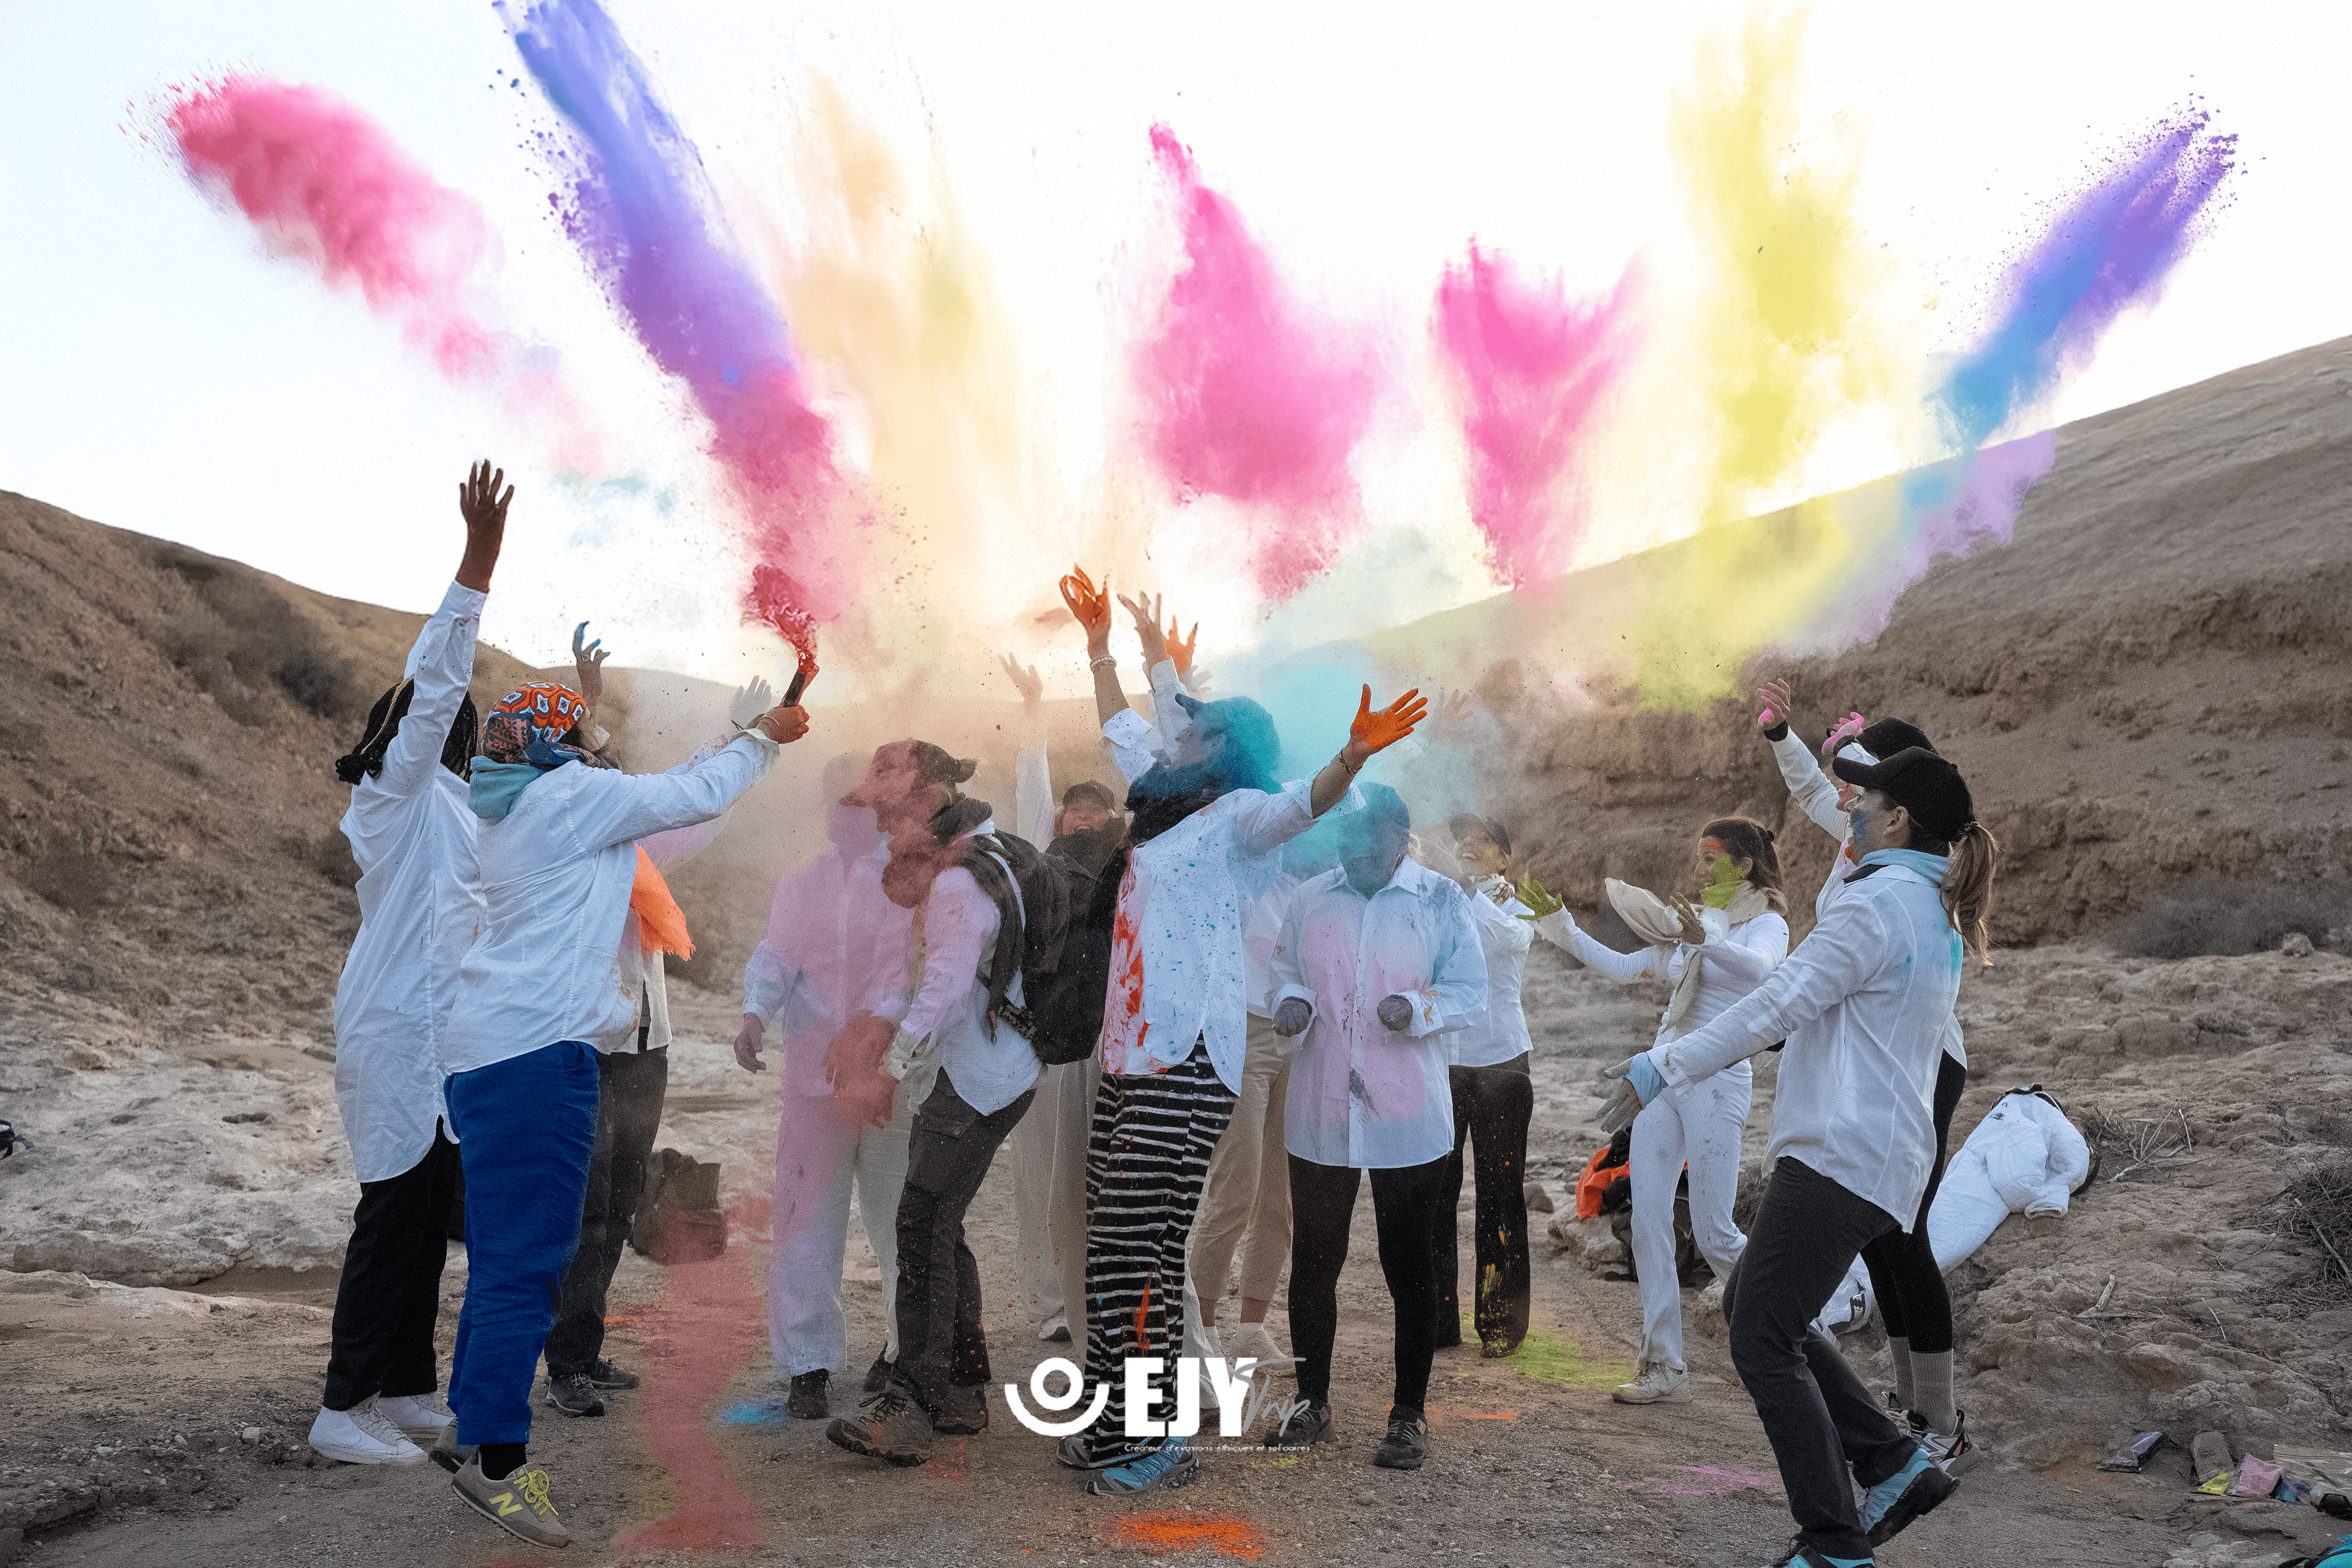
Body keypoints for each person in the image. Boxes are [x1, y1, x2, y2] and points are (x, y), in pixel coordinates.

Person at [1053, 569, 1425, 1498]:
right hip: (1134, 1055)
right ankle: (1116, 1423)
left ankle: (1147, 1439)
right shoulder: (1165, 808)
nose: (1174, 735)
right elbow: (1129, 724)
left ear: (1224, 755)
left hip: (1187, 1059)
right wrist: (1105, 650)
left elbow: (1302, 803)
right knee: (1119, 1243)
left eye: (1195, 730)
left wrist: (1351, 756)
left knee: (1141, 1245)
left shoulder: (1234, 819)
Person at [433, 666, 808, 1547]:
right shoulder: (569, 799)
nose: (593, 753)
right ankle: (499, 1467)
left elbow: (666, 795)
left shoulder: (499, 803)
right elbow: (690, 795)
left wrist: (738, 736)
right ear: (560, 747)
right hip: (542, 1057)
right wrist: (761, 740)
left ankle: (470, 1426)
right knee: (530, 1265)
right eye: (582, 739)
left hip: (485, 1052)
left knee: (500, 1254)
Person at [1598, 745, 1999, 1567]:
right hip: (1872, 1152)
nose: (1850, 805)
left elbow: (1777, 999)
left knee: (1762, 1339)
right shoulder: (1924, 901)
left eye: (1866, 796)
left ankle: (1835, 1542)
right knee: (1754, 1307)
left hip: (1840, 1153)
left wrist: (1662, 1066)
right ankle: (1894, 1466)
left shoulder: (1878, 902)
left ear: (1898, 819)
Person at [311, 461, 507, 1467]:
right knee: (392, 1215)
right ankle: (341, 1409)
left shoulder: (463, 813)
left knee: (430, 1218)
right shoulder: (394, 801)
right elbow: (433, 693)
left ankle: (406, 1391)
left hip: (441, 1046)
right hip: (392, 1033)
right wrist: (475, 567)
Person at [542, 647, 769, 1419]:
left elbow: (695, 804)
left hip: (646, 1044)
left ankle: (580, 1349)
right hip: (584, 1044)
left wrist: (741, 739)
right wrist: (584, 712)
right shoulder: (554, 847)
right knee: (583, 1207)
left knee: (617, 1204)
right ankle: (563, 1361)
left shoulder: (636, 845)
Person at [1756, 676, 1971, 1465]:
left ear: (1898, 799)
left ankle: (1940, 1425)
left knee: (1903, 1239)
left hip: (1922, 1064)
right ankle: (1916, 1412)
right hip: (1873, 1058)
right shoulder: (1863, 839)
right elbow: (1817, 789)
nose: (1847, 793)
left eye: (1863, 779)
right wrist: (1782, 738)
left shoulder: (1909, 864)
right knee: (1880, 1242)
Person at [824, 743, 1044, 1466]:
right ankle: (961, 1391)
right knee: (939, 1226)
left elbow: (945, 984)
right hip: (994, 1067)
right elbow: (921, 977)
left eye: (892, 815)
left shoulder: (955, 880)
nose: (884, 830)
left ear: (928, 799)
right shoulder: (974, 853)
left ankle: (912, 1403)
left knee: (919, 1228)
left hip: (978, 1077)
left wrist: (889, 1070)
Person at [1523, 818, 1788, 1405]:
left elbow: (1763, 973)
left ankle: (1805, 1332)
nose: (1701, 869)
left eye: (1712, 859)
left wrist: (1704, 940)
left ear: (1744, 865)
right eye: (1701, 858)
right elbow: (1625, 967)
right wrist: (1560, 927)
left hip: (1718, 1080)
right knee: (1647, 1223)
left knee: (1716, 1234)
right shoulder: (1698, 923)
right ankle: (1664, 1365)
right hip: (1665, 1077)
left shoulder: (1765, 924)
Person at [1267, 785, 1488, 1472]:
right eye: (1344, 840)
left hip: (1406, 1113)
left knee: (1408, 1264)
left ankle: (1408, 1414)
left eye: (1367, 842)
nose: (1353, 854)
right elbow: (1283, 969)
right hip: (1322, 1106)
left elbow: (1470, 990)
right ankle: (1311, 1402)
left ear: (1399, 836)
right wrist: (1292, 1001)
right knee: (1315, 1261)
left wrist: (1416, 1010)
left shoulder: (1440, 900)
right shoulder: (1311, 898)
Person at [734, 750, 922, 1420]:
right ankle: (807, 1364)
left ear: (880, 804)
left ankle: (904, 1356)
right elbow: (775, 955)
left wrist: (876, 1041)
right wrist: (754, 1016)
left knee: (899, 1223)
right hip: (814, 1080)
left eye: (859, 802)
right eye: (836, 803)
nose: (848, 816)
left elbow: (908, 971)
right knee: (805, 1223)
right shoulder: (803, 882)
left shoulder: (907, 879)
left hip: (889, 1081)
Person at [997, 652, 1130, 1348]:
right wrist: (1032, 710)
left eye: (1094, 811)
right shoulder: (1037, 861)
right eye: (1071, 808)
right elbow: (1031, 785)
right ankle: (1051, 1302)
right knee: (1037, 1169)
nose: (1080, 817)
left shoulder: (1123, 871)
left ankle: (1093, 1297)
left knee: (1093, 1174)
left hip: (1104, 1039)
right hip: (1036, 1037)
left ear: (1110, 823)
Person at [1429, 812, 1536, 1358]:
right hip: (1444, 1065)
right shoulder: (1442, 903)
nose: (1468, 847)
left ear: (1505, 857)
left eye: (1481, 842)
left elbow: (1504, 940)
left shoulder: (1519, 909)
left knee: (1501, 1195)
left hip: (1503, 1065)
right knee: (1436, 1195)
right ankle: (1437, 1322)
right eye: (1461, 842)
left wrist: (1472, 894)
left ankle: (1500, 1325)